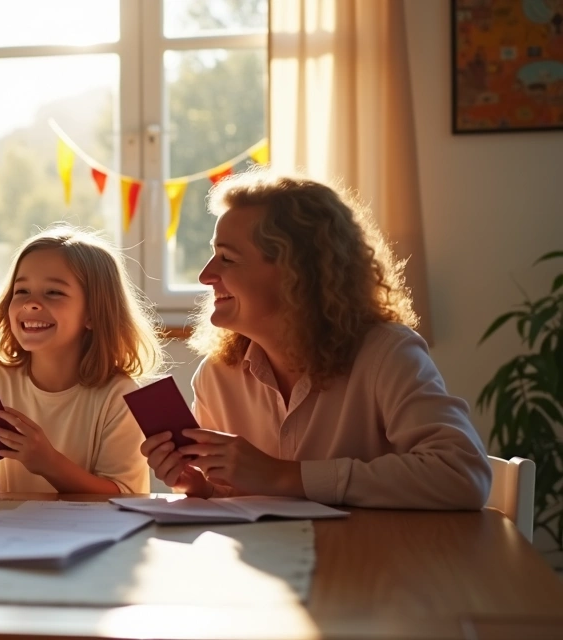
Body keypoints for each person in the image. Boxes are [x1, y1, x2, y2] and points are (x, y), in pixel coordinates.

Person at [142, 169, 491, 509]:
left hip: (373, 563)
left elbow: (462, 474)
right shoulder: (218, 375)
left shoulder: (388, 354)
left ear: (297, 272)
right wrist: (200, 488)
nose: (205, 276)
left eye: (227, 258)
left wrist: (283, 476)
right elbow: (242, 503)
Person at [0, 225, 166, 494]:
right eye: (22, 291)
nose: (31, 303)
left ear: (93, 314)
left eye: (53, 292)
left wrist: (48, 462)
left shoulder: (119, 395)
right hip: (14, 534)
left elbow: (124, 495)